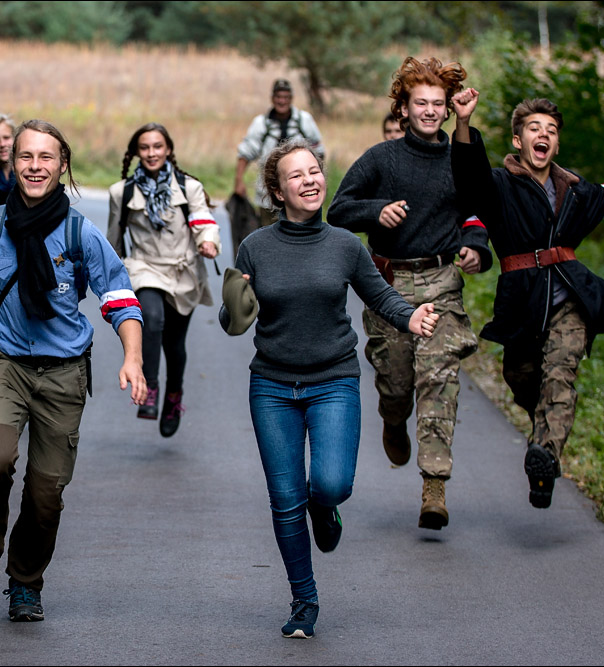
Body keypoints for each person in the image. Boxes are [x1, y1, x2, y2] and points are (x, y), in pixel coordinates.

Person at [221, 139, 439, 639]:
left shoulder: (345, 245)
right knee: (284, 499)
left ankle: (324, 507)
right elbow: (233, 322)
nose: (310, 180)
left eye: (314, 171)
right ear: (278, 191)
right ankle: (304, 598)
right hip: (272, 386)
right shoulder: (256, 246)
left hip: (333, 381)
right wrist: (234, 301)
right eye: (296, 175)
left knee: (332, 484)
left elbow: (380, 295)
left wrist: (411, 317)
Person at [0, 119, 148, 622]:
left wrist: (133, 357)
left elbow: (120, 298)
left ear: (62, 165)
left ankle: (25, 582)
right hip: (4, 364)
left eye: (46, 157)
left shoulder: (81, 233)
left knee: (46, 491)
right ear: (12, 162)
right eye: (26, 156)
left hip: (63, 374)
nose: (35, 167)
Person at [327, 57, 493, 531]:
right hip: (389, 288)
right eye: (421, 103)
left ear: (448, 109)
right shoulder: (382, 159)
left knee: (438, 377)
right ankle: (393, 417)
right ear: (403, 108)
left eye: (438, 103)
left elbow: (480, 202)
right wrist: (376, 212)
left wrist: (476, 245)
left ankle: (434, 484)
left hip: (441, 283)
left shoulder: (461, 154)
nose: (430, 111)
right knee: (397, 383)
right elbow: (338, 210)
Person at [451, 91, 604, 508]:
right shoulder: (499, 184)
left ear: (556, 144)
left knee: (560, 372)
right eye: (534, 128)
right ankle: (547, 428)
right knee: (521, 377)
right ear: (519, 140)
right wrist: (462, 122)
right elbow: (469, 174)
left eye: (550, 130)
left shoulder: (577, 191)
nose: (543, 134)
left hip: (571, 297)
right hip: (521, 303)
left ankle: (545, 461)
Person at [106, 122, 221, 436]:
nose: (151, 153)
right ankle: (150, 388)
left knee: (175, 344)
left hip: (183, 273)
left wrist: (208, 242)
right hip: (144, 268)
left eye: (157, 146)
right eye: (144, 147)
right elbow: (113, 239)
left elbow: (204, 220)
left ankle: (174, 396)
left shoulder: (188, 187)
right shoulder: (122, 192)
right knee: (152, 318)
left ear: (168, 149)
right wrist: (109, 277)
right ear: (136, 152)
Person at [235, 78, 326, 227]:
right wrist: (239, 181)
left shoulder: (304, 120)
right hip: (267, 198)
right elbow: (245, 153)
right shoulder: (261, 123)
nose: (282, 101)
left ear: (291, 98)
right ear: (272, 98)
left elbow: (319, 153)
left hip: (300, 196)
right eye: (278, 97)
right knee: (269, 234)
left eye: (285, 97)